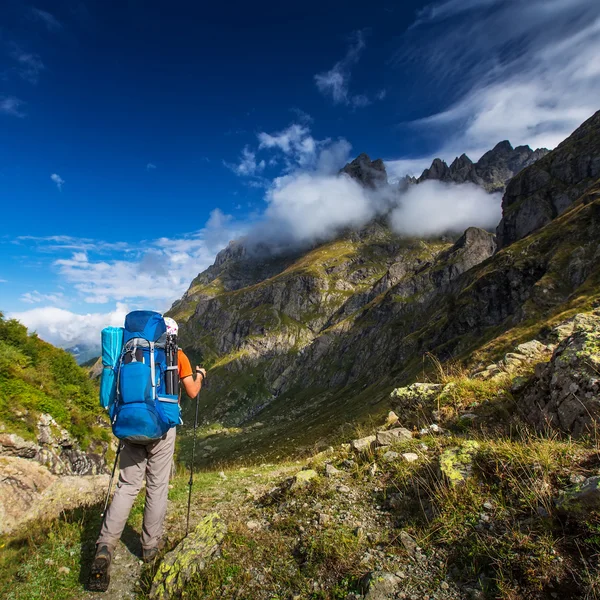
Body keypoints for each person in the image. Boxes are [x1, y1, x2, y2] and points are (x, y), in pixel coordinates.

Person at [89, 317, 206, 590]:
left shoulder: (128, 350)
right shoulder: (175, 354)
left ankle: (105, 547)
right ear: (171, 334)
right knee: (157, 486)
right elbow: (191, 392)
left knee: (127, 486)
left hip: (129, 423)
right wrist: (200, 375)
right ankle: (150, 547)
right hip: (161, 428)